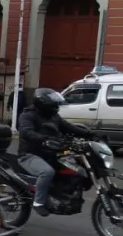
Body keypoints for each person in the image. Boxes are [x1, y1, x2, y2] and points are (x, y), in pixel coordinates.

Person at [17, 88, 93, 217]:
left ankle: (64, 193)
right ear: (44, 103)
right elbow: (27, 132)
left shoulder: (53, 116)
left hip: (52, 153)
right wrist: (44, 139)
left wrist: (90, 134)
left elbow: (68, 127)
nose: (56, 107)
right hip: (30, 154)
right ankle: (38, 202)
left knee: (76, 166)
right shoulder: (28, 115)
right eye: (54, 104)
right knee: (47, 172)